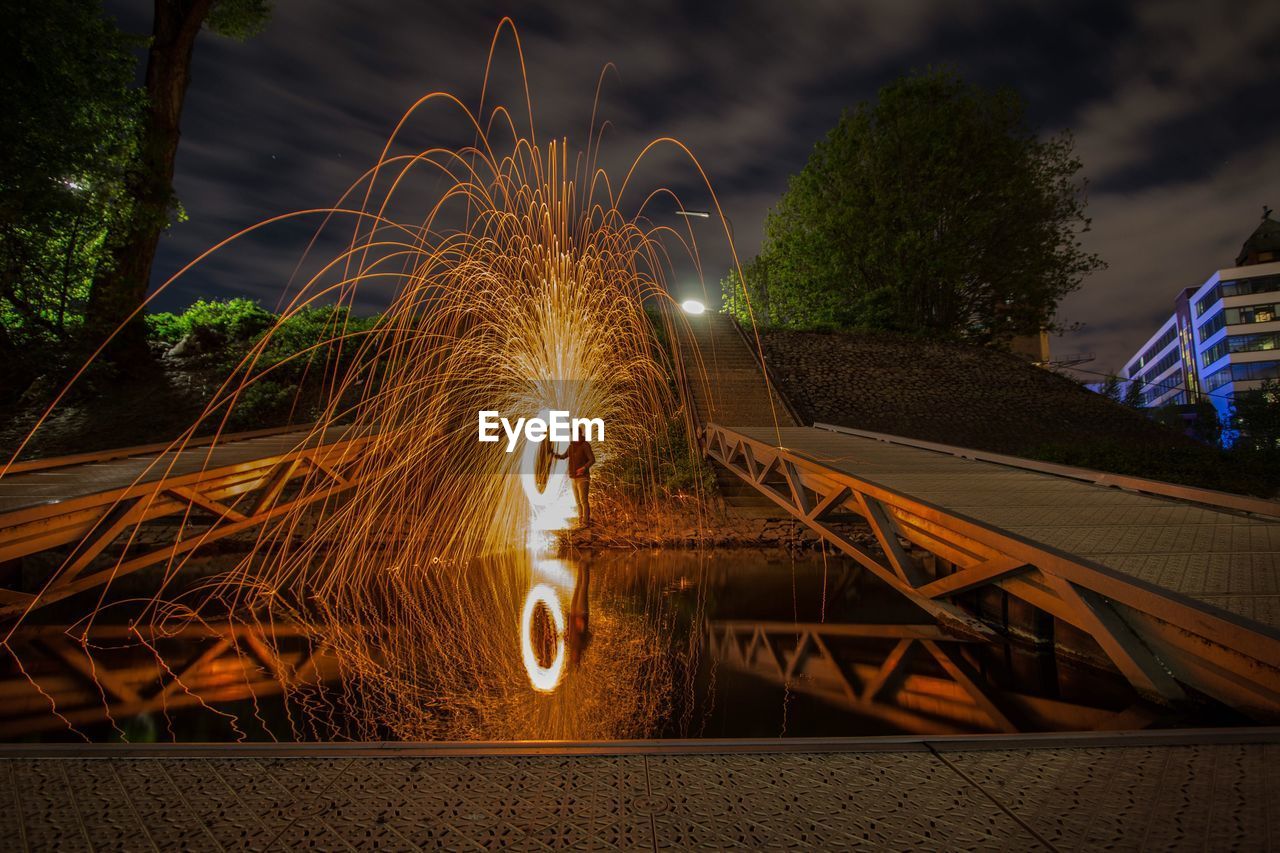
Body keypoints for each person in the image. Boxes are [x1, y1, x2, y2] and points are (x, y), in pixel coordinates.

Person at [552, 435, 595, 527]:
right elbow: (563, 456)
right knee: (578, 501)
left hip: (583, 478)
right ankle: (580, 522)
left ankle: (586, 522)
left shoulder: (585, 445)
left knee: (583, 500)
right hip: (573, 478)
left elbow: (592, 460)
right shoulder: (571, 446)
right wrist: (554, 455)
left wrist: (584, 468)